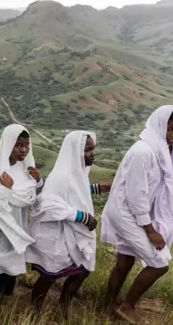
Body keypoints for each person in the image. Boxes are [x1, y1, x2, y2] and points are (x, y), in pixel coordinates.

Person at [101, 105, 173, 324]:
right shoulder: (143, 152)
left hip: (131, 212)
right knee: (159, 263)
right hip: (126, 213)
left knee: (124, 261)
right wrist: (150, 230)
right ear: (161, 125)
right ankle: (126, 307)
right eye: (171, 129)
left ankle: (106, 306)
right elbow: (136, 196)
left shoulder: (161, 151)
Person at [26, 131, 111, 315]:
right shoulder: (61, 176)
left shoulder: (75, 174)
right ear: (75, 152)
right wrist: (81, 216)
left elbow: (75, 192)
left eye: (92, 149)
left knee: (82, 270)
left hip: (72, 233)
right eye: (88, 150)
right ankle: (34, 311)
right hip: (56, 234)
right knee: (49, 275)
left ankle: (64, 305)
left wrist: (97, 188)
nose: (92, 154)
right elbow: (48, 204)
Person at [0, 124, 43, 299]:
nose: (24, 150)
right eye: (18, 145)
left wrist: (39, 181)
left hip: (17, 227)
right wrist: (4, 191)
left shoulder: (26, 168)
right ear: (8, 144)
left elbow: (31, 197)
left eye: (27, 145)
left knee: (10, 273)